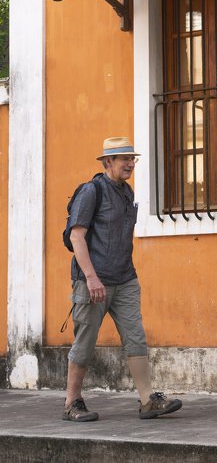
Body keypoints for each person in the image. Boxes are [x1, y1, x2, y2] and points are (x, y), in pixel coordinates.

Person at [62, 137, 183, 422]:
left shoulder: (127, 192)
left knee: (135, 337)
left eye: (132, 158)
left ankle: (148, 400)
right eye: (124, 159)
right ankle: (71, 403)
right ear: (108, 162)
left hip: (125, 278)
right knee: (85, 342)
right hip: (93, 281)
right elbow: (76, 236)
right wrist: (91, 278)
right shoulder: (91, 191)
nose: (130, 164)